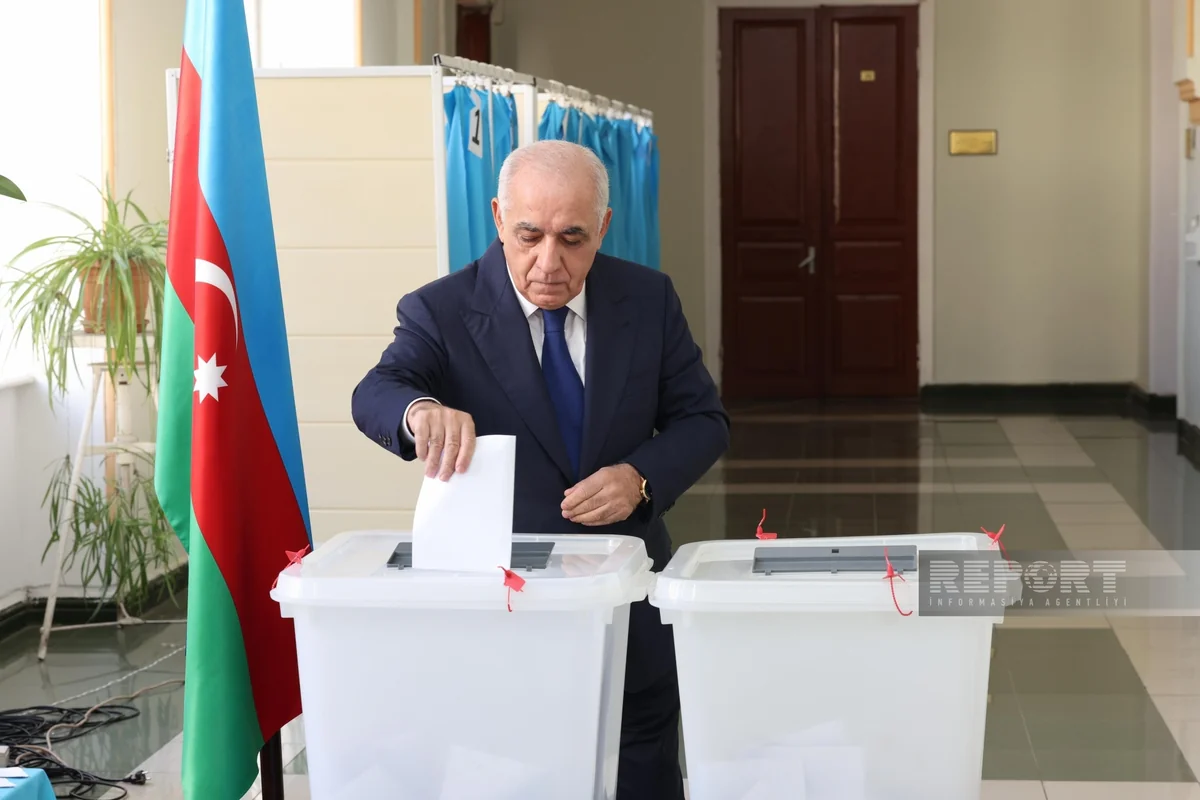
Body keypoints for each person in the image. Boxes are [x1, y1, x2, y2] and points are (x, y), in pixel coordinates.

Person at [350, 139, 729, 800]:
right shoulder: (440, 311)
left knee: (641, 768)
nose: (548, 263)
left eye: (572, 238)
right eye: (528, 236)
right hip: (504, 616)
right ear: (498, 217)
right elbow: (377, 390)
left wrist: (640, 477)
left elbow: (704, 420)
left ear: (603, 228)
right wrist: (419, 412)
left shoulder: (648, 300)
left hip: (628, 604)